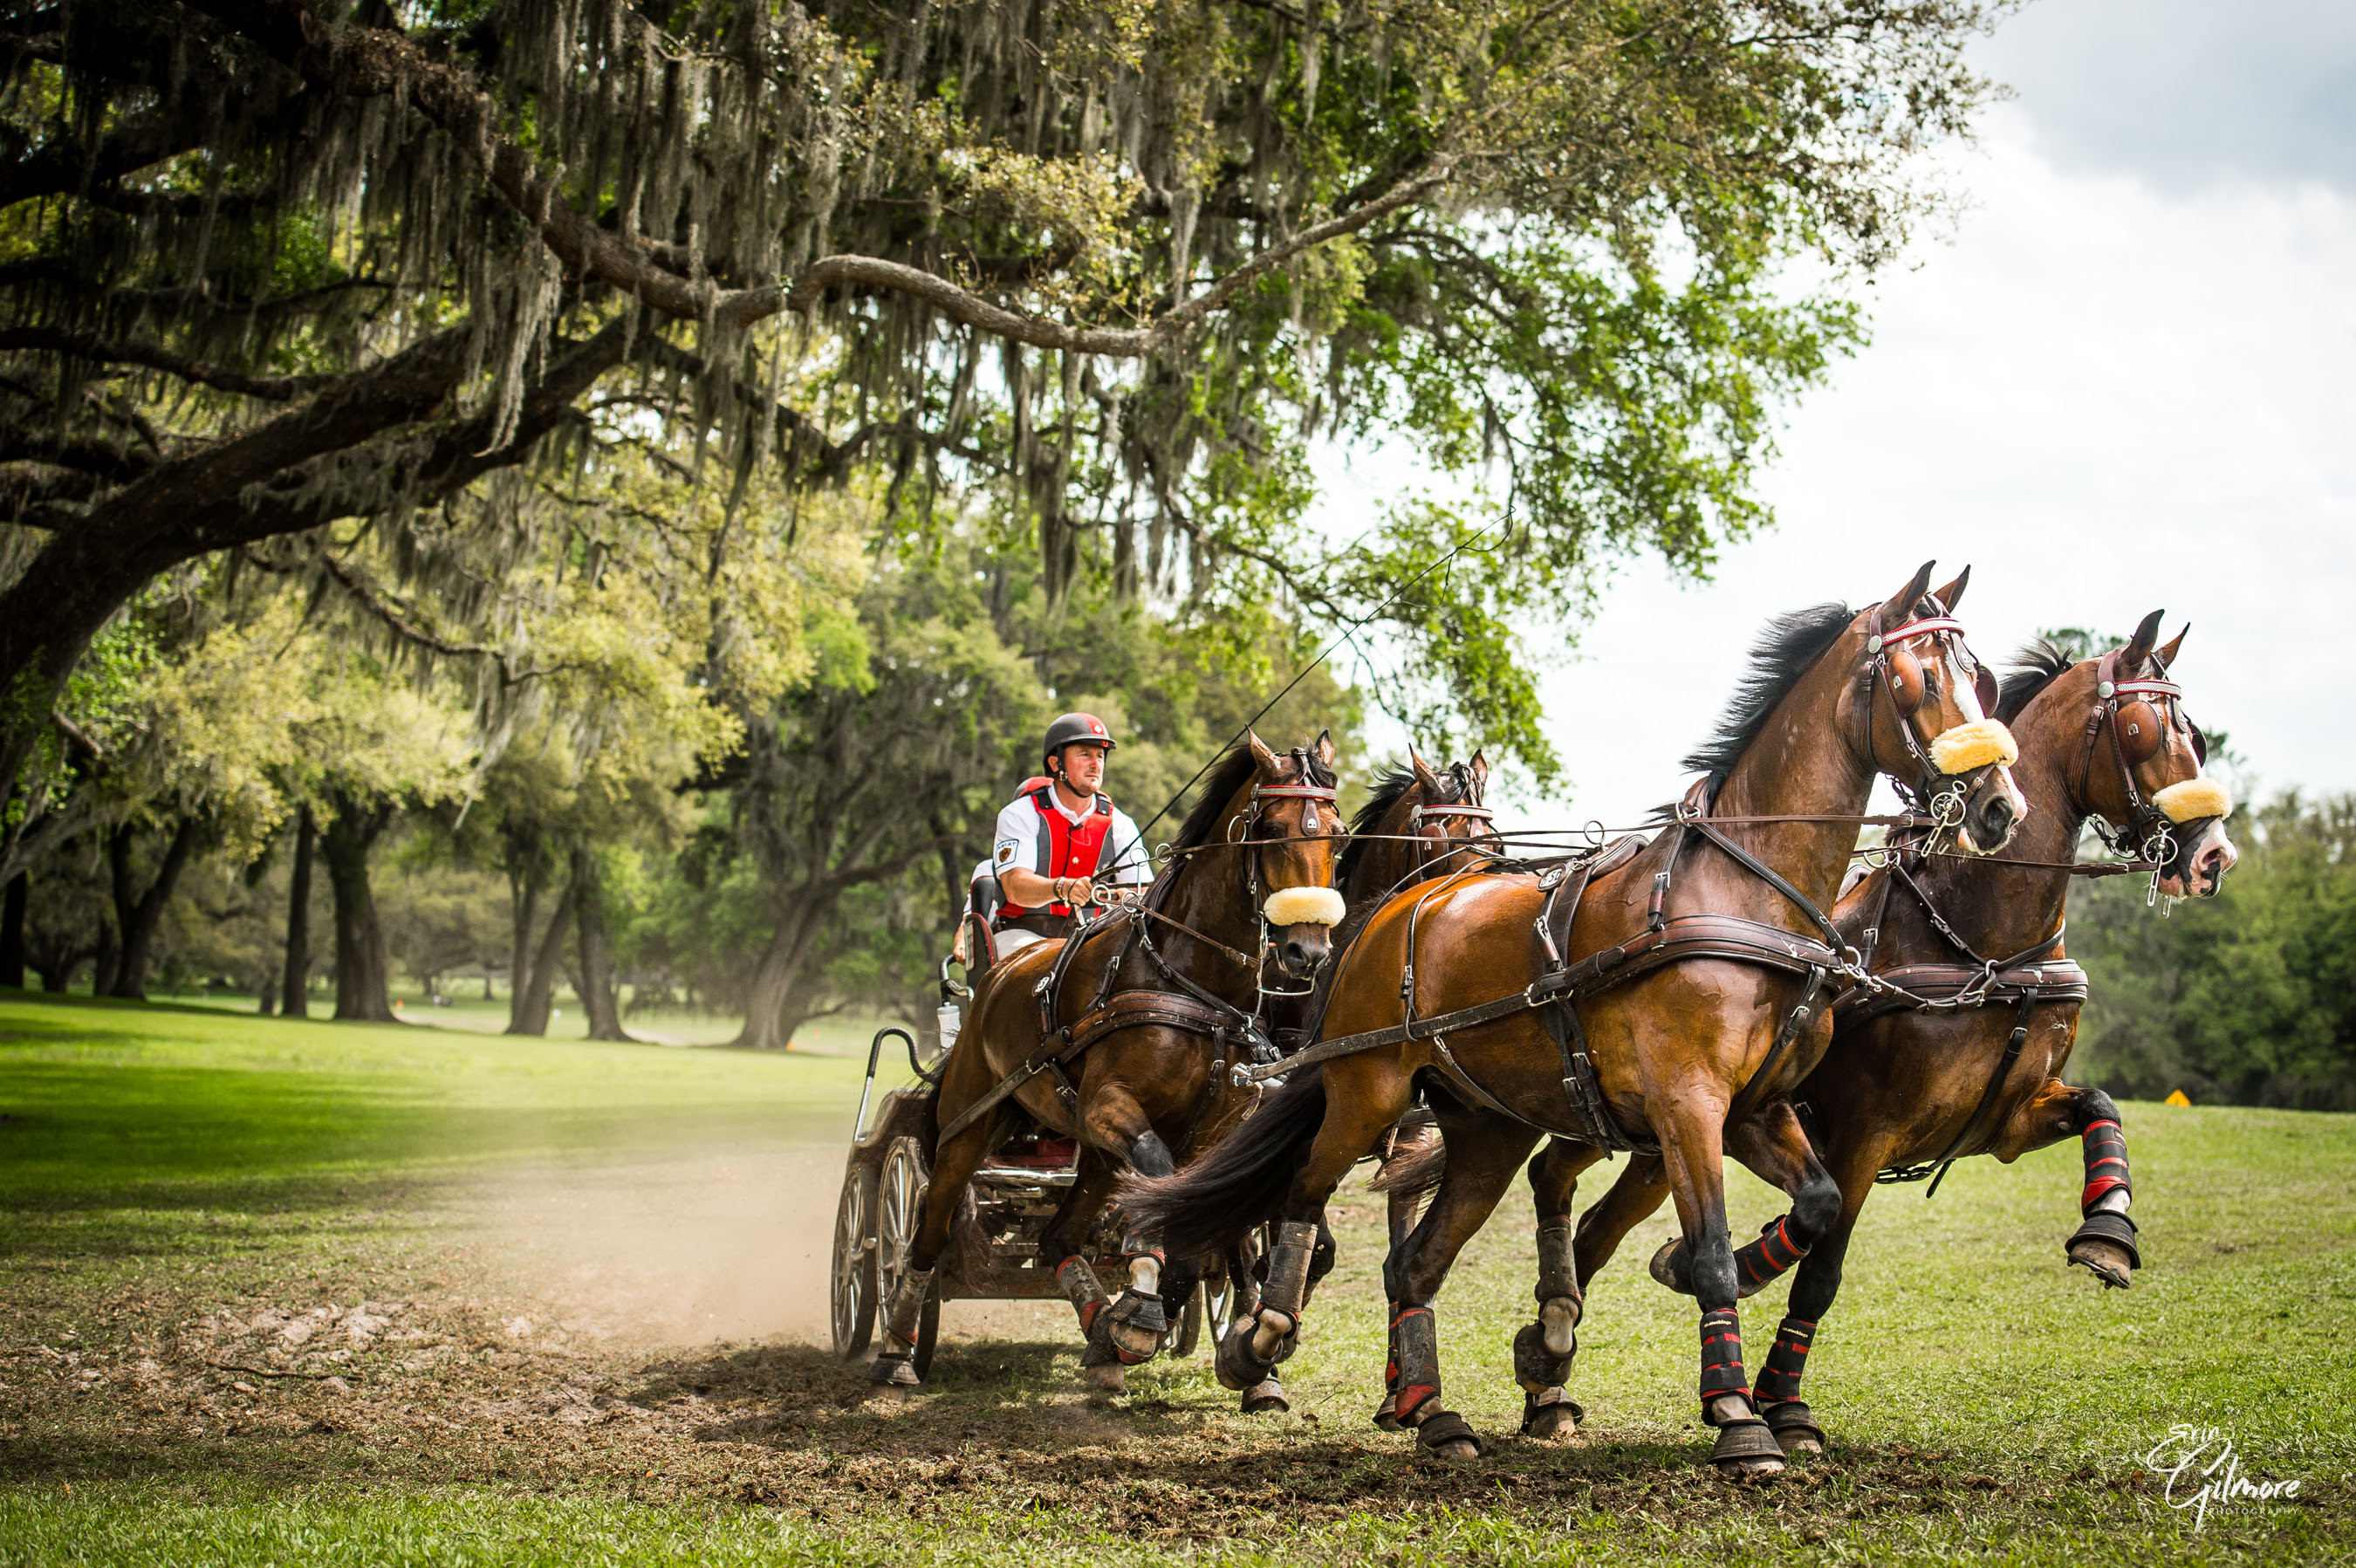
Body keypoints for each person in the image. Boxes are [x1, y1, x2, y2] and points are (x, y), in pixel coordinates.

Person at [986, 714, 1147, 961]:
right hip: (1022, 935)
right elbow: (1015, 887)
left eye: (1100, 756)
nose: (1095, 764)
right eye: (1084, 754)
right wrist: (1064, 887)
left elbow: (1143, 892)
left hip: (1093, 938)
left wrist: (1124, 896)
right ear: (1055, 764)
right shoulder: (1021, 814)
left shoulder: (1122, 824)